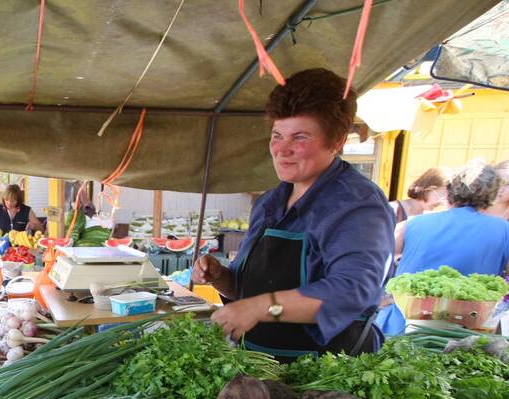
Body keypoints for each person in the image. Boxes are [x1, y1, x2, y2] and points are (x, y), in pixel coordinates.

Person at [192, 68, 394, 360]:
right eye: (277, 135)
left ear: (336, 141)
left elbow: (353, 290)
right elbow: (248, 292)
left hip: (328, 373)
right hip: (261, 366)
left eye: (299, 137)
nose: (282, 150)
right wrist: (221, 276)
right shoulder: (270, 203)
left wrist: (259, 307)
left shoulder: (357, 206)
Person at [395, 161, 509, 277]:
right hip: (473, 294)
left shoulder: (413, 223)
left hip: (410, 294)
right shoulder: (504, 230)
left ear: (450, 191)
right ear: (492, 196)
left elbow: (382, 252)